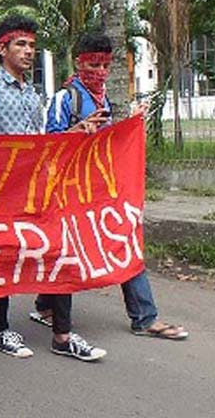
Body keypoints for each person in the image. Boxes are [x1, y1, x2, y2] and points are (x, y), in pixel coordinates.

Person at [33, 31, 189, 341]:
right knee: (66, 251)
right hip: (71, 192)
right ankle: (46, 304)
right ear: (80, 64)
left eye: (105, 65)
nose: (101, 72)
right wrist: (78, 132)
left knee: (125, 241)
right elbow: (49, 146)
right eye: (94, 64)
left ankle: (144, 317)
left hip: (102, 190)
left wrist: (129, 125)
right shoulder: (66, 98)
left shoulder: (106, 98)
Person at [0, 15, 106, 362]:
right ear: (1, 48)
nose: (29, 51)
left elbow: (43, 143)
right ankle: (0, 330)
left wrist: (75, 132)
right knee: (1, 260)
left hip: (37, 187)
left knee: (59, 251)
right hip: (1, 191)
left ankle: (62, 335)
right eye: (21, 44)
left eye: (32, 45)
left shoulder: (35, 94)